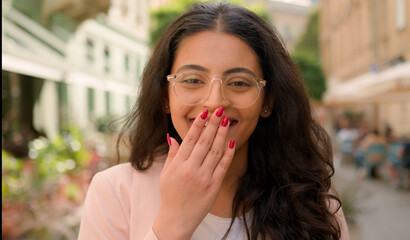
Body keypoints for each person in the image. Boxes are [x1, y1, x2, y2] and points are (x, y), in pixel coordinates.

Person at [78, 2, 349, 240]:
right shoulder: (115, 192)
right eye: (193, 80)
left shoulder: (313, 205)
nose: (215, 101)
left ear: (267, 101)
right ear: (165, 96)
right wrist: (173, 223)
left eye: (239, 83)